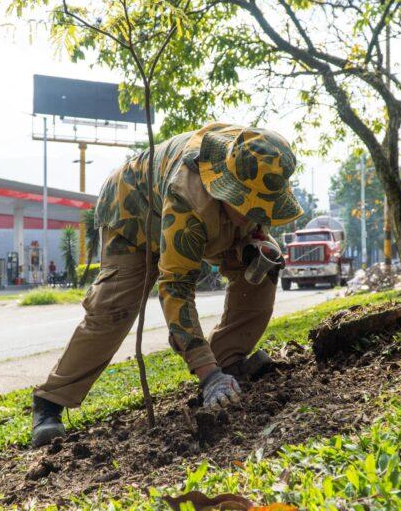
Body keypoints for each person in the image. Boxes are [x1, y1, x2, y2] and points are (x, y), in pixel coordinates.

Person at [31, 122, 303, 447]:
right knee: (114, 308)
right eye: (246, 205)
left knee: (263, 266)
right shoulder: (188, 197)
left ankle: (229, 358)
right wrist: (207, 375)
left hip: (208, 211)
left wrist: (253, 240)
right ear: (227, 186)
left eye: (260, 208)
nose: (253, 214)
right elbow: (175, 288)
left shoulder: (256, 158)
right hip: (133, 213)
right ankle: (50, 402)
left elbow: (251, 215)